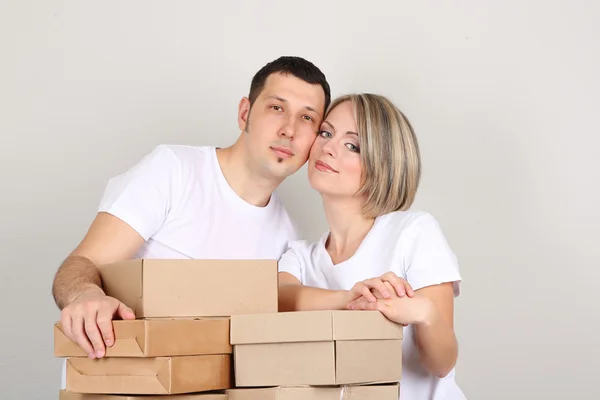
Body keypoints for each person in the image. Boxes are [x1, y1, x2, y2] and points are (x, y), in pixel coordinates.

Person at [51, 56, 331, 360]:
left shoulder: (288, 240)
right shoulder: (173, 171)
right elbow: (81, 262)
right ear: (244, 113)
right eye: (277, 108)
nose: (289, 129)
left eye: (307, 118)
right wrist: (85, 294)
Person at [277, 94, 466, 399]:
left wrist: (425, 314)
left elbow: (441, 364)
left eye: (352, 146)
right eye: (325, 133)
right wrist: (351, 299)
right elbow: (280, 298)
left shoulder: (414, 232)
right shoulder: (299, 256)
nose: (328, 148)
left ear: (383, 163)